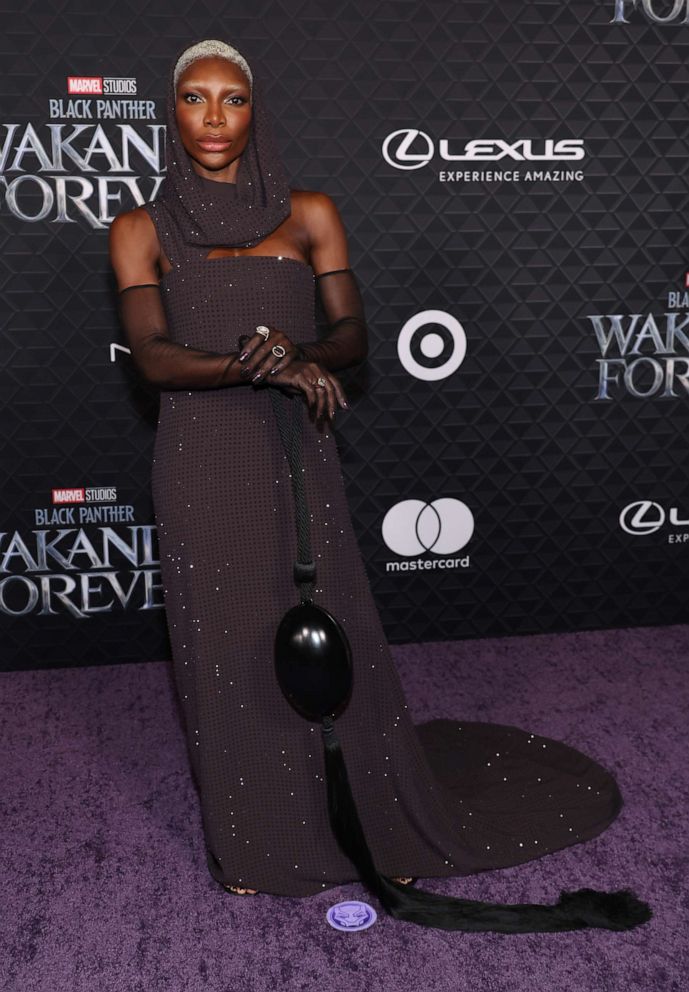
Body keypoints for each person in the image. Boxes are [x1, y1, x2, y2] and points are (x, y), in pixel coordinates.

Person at [109, 39, 649, 931]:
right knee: (222, 643)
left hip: (295, 453)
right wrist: (269, 368)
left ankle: (351, 805)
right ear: (172, 112)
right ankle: (251, 840)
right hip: (202, 457)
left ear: (255, 110)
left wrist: (302, 355)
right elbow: (158, 361)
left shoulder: (310, 212)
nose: (212, 118)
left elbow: (352, 337)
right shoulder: (140, 227)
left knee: (324, 632)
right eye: (195, 99)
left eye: (232, 100)